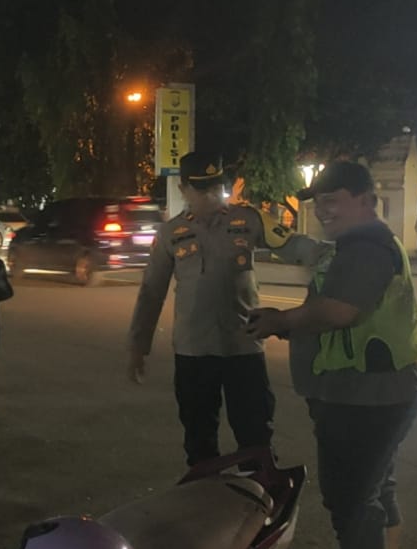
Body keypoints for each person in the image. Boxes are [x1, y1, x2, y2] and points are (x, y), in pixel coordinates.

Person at [248, 161, 417, 549]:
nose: (323, 210)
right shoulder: (356, 244)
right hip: (374, 390)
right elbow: (316, 268)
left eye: (333, 200)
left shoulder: (367, 248)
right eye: (319, 202)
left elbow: (340, 311)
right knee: (377, 490)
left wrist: (281, 321)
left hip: (366, 395)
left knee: (353, 498)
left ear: (366, 199)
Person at [128, 153, 324, 466]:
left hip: (243, 347)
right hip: (194, 351)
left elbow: (294, 245)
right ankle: (206, 492)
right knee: (199, 439)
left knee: (256, 435)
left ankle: (259, 490)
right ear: (183, 189)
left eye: (215, 187)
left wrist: (336, 254)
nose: (211, 195)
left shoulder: (248, 220)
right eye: (201, 189)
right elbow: (151, 292)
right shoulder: (170, 234)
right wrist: (139, 346)